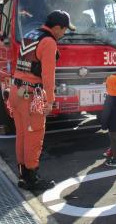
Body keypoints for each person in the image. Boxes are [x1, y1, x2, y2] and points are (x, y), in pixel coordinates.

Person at [9, 10, 76, 190]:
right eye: (64, 30)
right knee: (34, 135)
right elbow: (48, 75)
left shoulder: (31, 35)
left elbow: (21, 63)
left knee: (22, 135)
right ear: (56, 28)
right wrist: (50, 100)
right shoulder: (48, 42)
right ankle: (32, 179)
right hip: (31, 95)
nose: (64, 33)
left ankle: (23, 175)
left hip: (16, 91)